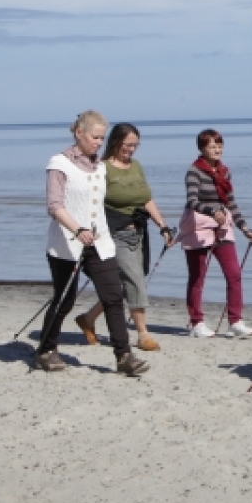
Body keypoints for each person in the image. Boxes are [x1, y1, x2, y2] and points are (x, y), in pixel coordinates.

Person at [33, 110, 151, 376]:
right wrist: (78, 229)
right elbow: (54, 206)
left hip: (100, 243)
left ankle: (124, 356)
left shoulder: (100, 166)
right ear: (79, 133)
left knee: (113, 296)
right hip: (66, 244)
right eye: (94, 137)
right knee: (64, 300)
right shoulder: (59, 163)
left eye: (101, 138)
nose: (99, 142)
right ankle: (46, 349)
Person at [73, 123, 176, 352]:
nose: (132, 149)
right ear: (116, 142)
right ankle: (142, 334)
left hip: (138, 233)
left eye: (136, 145)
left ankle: (88, 319)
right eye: (128, 145)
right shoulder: (102, 168)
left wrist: (163, 226)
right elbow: (91, 200)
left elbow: (146, 199)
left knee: (119, 287)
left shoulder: (136, 166)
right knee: (134, 280)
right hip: (114, 234)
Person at [179, 128, 252, 338]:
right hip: (198, 225)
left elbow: (231, 203)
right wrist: (212, 211)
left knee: (234, 274)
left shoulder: (225, 172)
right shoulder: (194, 171)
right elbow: (192, 201)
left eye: (219, 145)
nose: (217, 149)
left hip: (222, 225)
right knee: (197, 277)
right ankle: (197, 323)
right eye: (212, 146)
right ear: (202, 148)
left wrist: (244, 228)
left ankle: (236, 321)